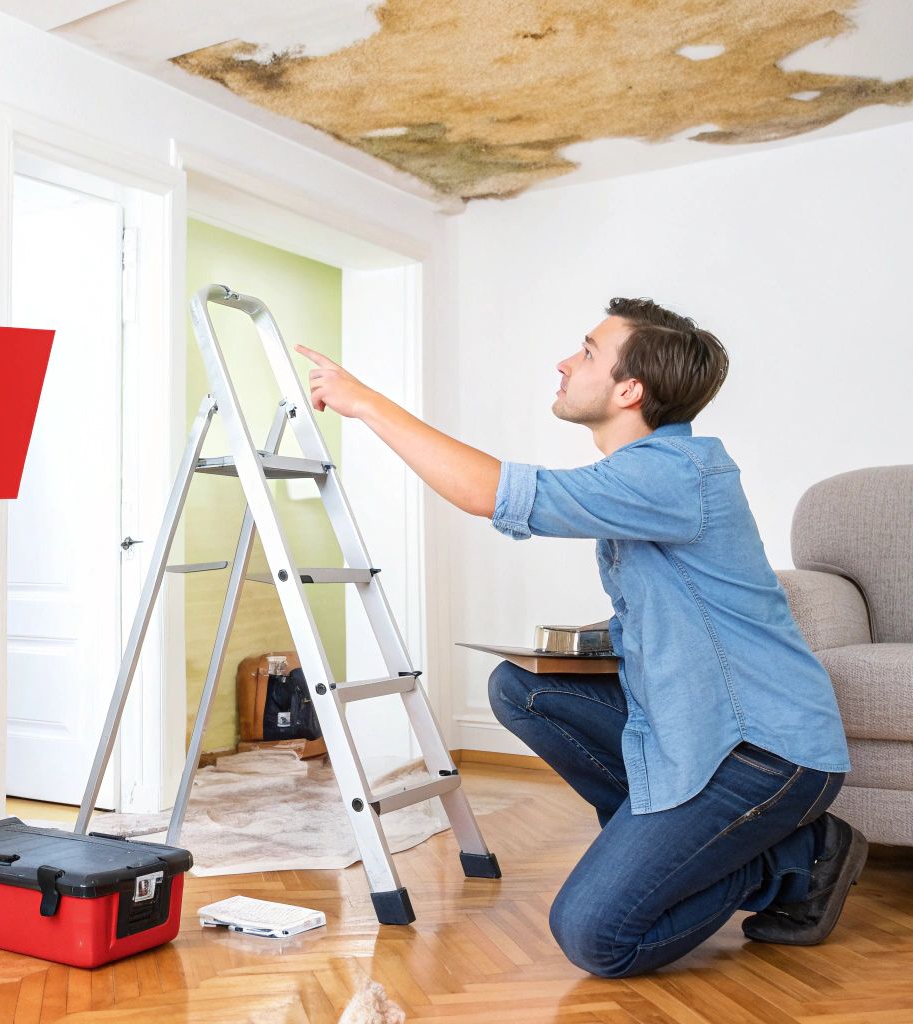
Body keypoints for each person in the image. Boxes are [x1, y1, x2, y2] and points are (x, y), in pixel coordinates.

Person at [295, 297, 864, 978]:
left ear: (630, 390)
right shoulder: (642, 474)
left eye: (588, 352)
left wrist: (365, 402)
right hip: (691, 730)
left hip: (761, 752)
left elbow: (490, 492)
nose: (565, 362)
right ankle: (674, 846)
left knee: (596, 938)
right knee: (522, 689)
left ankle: (791, 861)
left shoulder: (671, 472)